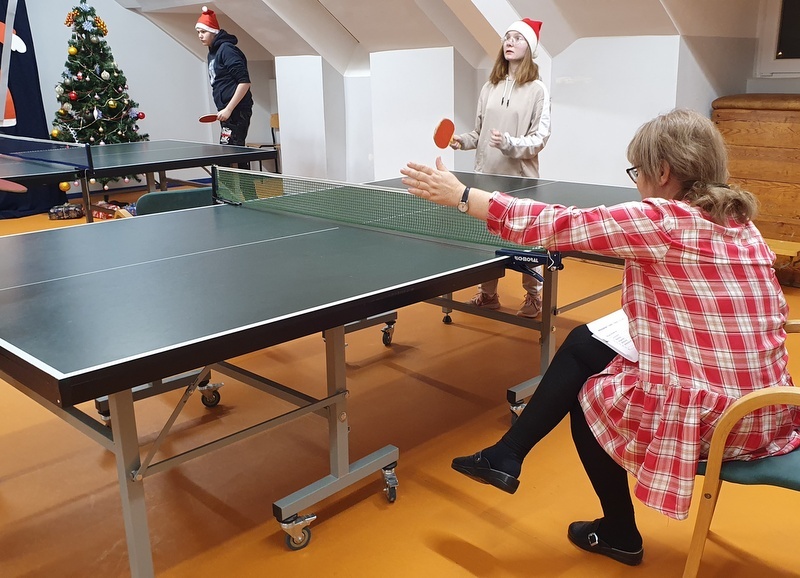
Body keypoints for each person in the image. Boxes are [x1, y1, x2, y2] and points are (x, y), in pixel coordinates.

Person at [401, 109, 800, 566]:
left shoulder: (664, 220)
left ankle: (619, 531)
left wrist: (462, 196)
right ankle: (506, 454)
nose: (637, 183)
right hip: (772, 409)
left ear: (662, 171)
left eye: (638, 171)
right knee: (587, 342)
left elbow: (561, 225)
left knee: (589, 397)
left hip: (721, 422)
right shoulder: (740, 225)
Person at [451, 18, 551, 318]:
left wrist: (509, 143)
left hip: (520, 181)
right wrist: (462, 141)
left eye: (518, 38)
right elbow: (479, 132)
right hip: (486, 179)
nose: (510, 42)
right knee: (486, 241)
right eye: (507, 37)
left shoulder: (537, 90)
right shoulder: (489, 87)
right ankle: (488, 295)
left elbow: (540, 138)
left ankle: (534, 297)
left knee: (525, 243)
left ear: (529, 48)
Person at [196, 6, 253, 168]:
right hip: (225, 112)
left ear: (213, 32)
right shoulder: (212, 52)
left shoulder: (227, 50)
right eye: (198, 32)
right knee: (227, 154)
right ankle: (230, 184)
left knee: (234, 153)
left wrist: (229, 109)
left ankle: (245, 185)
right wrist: (225, 110)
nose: (200, 35)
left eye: (203, 32)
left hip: (237, 111)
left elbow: (244, 82)